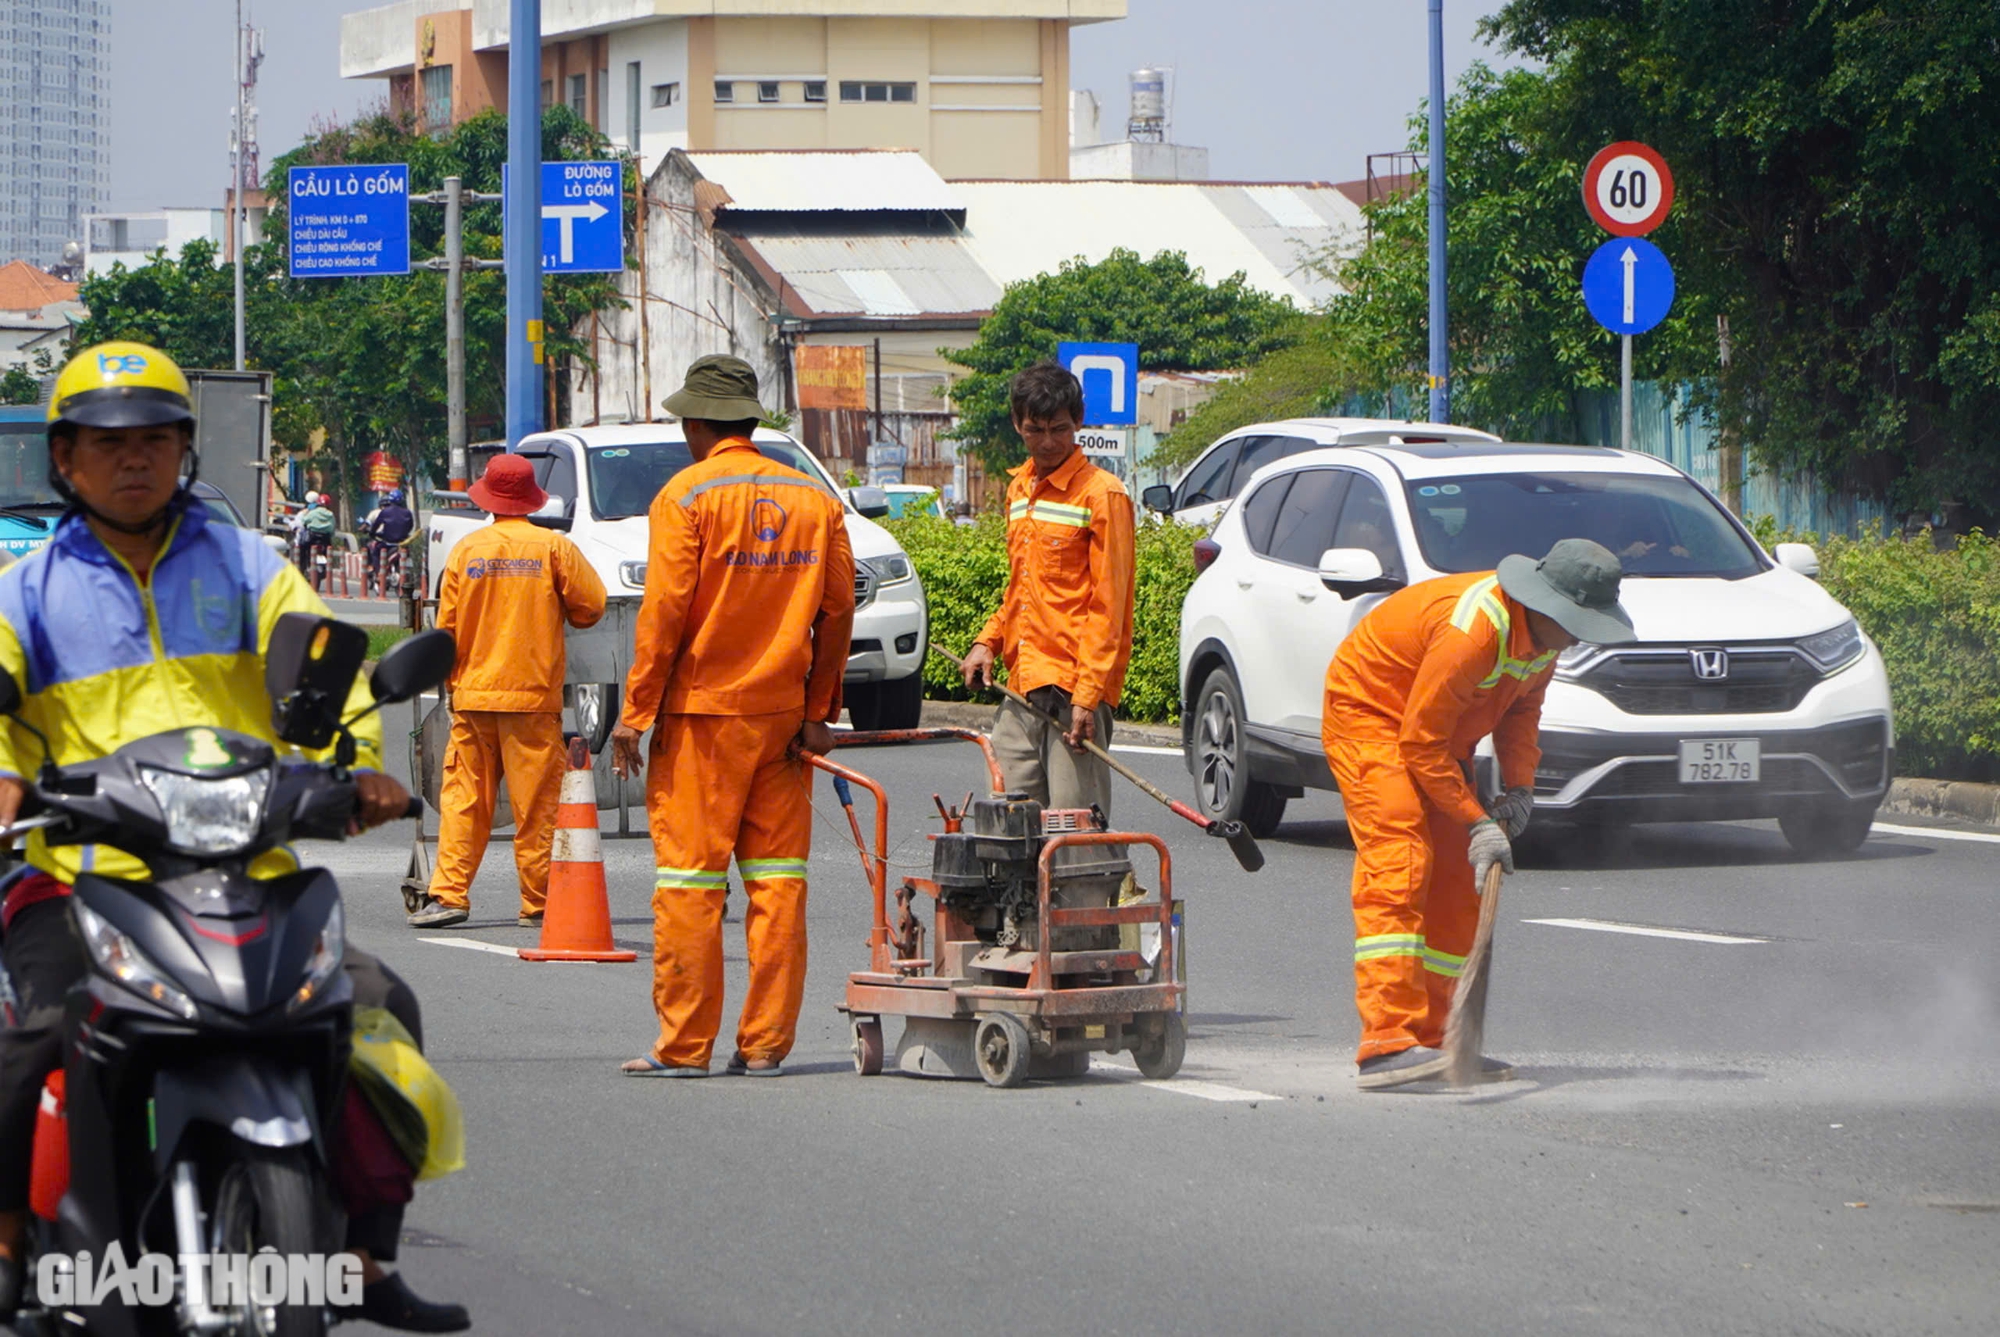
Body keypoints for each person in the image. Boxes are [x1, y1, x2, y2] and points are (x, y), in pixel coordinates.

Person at [0, 342, 466, 1329]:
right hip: (83, 873)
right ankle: (9, 1240)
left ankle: (364, 1252)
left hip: (242, 863)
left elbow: (323, 675)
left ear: (185, 450)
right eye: (108, 443)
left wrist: (357, 769)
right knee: (31, 1036)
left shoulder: (250, 564)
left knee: (380, 1004)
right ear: (66, 459)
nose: (136, 460)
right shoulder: (24, 588)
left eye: (157, 440)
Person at [609, 355, 854, 1078]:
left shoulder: (685, 495)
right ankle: (767, 1042)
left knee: (690, 882)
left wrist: (635, 712)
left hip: (701, 720)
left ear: (695, 424)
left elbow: (664, 614)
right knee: (778, 882)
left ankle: (685, 1046)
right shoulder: (814, 499)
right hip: (781, 720)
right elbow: (839, 608)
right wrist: (819, 708)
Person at [1322, 538, 1636, 1091]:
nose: (1581, 635)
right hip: (1371, 717)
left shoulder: (1543, 638)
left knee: (1453, 883)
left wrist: (1519, 789)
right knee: (1402, 861)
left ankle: (1440, 1040)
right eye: (1578, 621)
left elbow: (1521, 712)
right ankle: (1386, 1042)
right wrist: (1477, 821)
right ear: (1546, 606)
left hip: (1437, 737)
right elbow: (1419, 744)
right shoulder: (1474, 631)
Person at [408, 455, 606, 930]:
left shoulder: (467, 550)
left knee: (464, 802)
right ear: (531, 498)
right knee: (535, 807)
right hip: (532, 699)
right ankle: (538, 902)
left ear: (489, 499)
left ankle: (449, 895)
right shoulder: (553, 548)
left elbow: (446, 629)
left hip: (474, 696)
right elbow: (592, 606)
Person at [959, 360, 1136, 820]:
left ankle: (1095, 893)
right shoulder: (1020, 490)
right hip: (1021, 690)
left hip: (1072, 692)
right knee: (1008, 831)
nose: (1049, 442)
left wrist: (1087, 697)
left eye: (1059, 428)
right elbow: (1021, 588)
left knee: (1075, 842)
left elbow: (1109, 606)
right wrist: (987, 642)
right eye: (1035, 430)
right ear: (1018, 425)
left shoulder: (1102, 495)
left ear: (1078, 422)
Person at [364, 486, 417, 597]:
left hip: (388, 543)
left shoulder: (385, 512)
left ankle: (379, 573)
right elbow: (411, 526)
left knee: (375, 552)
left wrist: (372, 533)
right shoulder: (407, 513)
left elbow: (376, 525)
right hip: (403, 543)